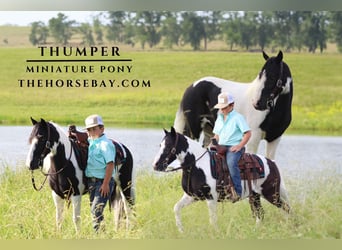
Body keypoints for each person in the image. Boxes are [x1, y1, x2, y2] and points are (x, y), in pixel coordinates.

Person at [212, 92, 251, 202]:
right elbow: (217, 135)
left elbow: (248, 133)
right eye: (221, 107)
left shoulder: (238, 118)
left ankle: (238, 193)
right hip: (220, 146)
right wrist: (212, 144)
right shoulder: (219, 118)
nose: (222, 110)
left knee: (231, 163)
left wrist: (239, 146)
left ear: (232, 105)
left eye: (224, 107)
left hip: (233, 147)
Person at [84, 114, 116, 232]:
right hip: (91, 182)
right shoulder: (91, 141)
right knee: (95, 210)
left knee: (96, 210)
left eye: (94, 128)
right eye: (89, 129)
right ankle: (102, 233)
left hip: (102, 182)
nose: (91, 132)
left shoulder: (106, 144)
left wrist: (106, 184)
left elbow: (110, 164)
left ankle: (98, 235)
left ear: (102, 128)